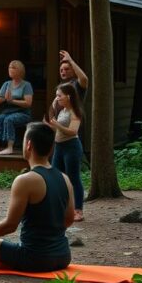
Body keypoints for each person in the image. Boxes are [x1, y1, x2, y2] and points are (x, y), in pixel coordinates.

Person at [0, 122, 74, 272]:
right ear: (51, 149)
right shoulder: (65, 178)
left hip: (35, 259)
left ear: (28, 145)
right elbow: (69, 219)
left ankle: (11, 262)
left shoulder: (25, 180)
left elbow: (10, 225)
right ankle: (8, 261)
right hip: (63, 257)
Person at [47, 83, 86, 222]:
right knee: (57, 178)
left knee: (73, 178)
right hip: (59, 147)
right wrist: (50, 124)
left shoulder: (75, 111)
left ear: (68, 96)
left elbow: (73, 131)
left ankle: (78, 210)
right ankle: (61, 208)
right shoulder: (62, 111)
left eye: (59, 96)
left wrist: (56, 124)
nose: (57, 98)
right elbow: (56, 127)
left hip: (72, 147)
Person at [0, 60, 34, 155]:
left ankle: (9, 147)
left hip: (23, 113)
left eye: (13, 68)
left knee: (9, 120)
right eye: (9, 68)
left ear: (20, 70)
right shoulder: (7, 84)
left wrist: (12, 101)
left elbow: (28, 103)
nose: (10, 70)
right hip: (7, 112)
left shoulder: (26, 85)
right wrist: (4, 99)